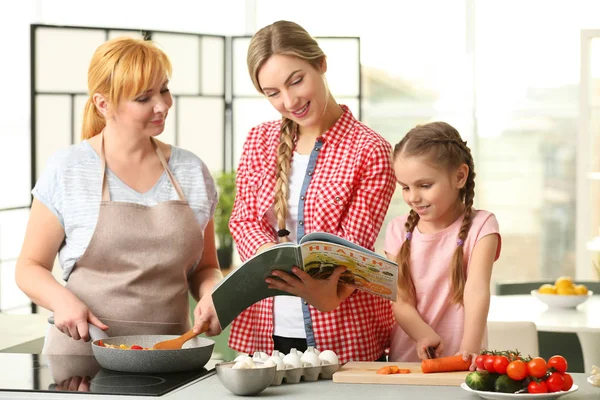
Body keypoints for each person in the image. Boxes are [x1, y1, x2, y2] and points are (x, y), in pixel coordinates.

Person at [15, 36, 222, 355]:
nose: (162, 105)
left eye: (164, 90)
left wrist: (212, 293)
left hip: (169, 357)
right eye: (144, 98)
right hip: (82, 357)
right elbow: (29, 267)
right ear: (103, 104)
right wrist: (62, 301)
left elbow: (206, 267)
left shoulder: (192, 171)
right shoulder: (69, 170)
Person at [227, 20, 396, 363]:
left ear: (321, 63)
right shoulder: (259, 141)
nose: (289, 101)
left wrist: (325, 289)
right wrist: (268, 256)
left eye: (296, 80)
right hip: (266, 328)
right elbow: (243, 219)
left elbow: (353, 247)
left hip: (343, 331)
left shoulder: (370, 149)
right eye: (272, 93)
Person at [384, 122, 501, 368]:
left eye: (424, 185)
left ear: (460, 176)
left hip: (464, 362)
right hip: (407, 364)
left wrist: (469, 348)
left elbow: (477, 290)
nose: (413, 197)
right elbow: (400, 300)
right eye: (405, 187)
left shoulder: (483, 226)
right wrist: (422, 335)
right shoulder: (397, 229)